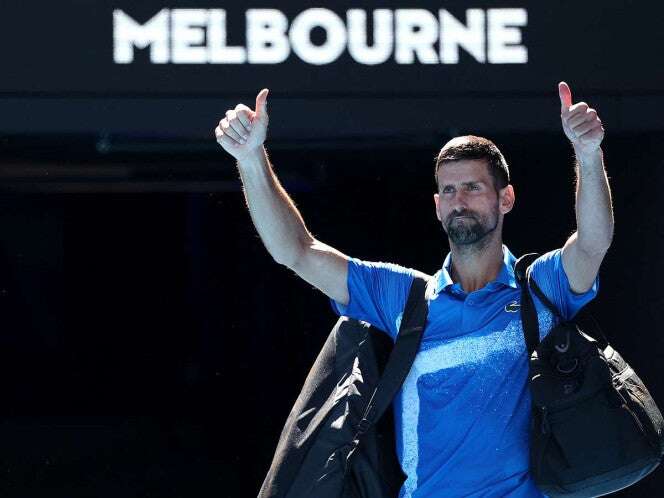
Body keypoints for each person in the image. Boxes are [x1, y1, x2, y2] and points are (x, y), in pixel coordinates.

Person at [214, 82, 614, 498]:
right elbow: (296, 252)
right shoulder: (405, 299)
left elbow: (593, 242)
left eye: (473, 187)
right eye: (448, 190)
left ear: (506, 198)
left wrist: (587, 153)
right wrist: (250, 159)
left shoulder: (540, 290)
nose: (459, 201)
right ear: (438, 205)